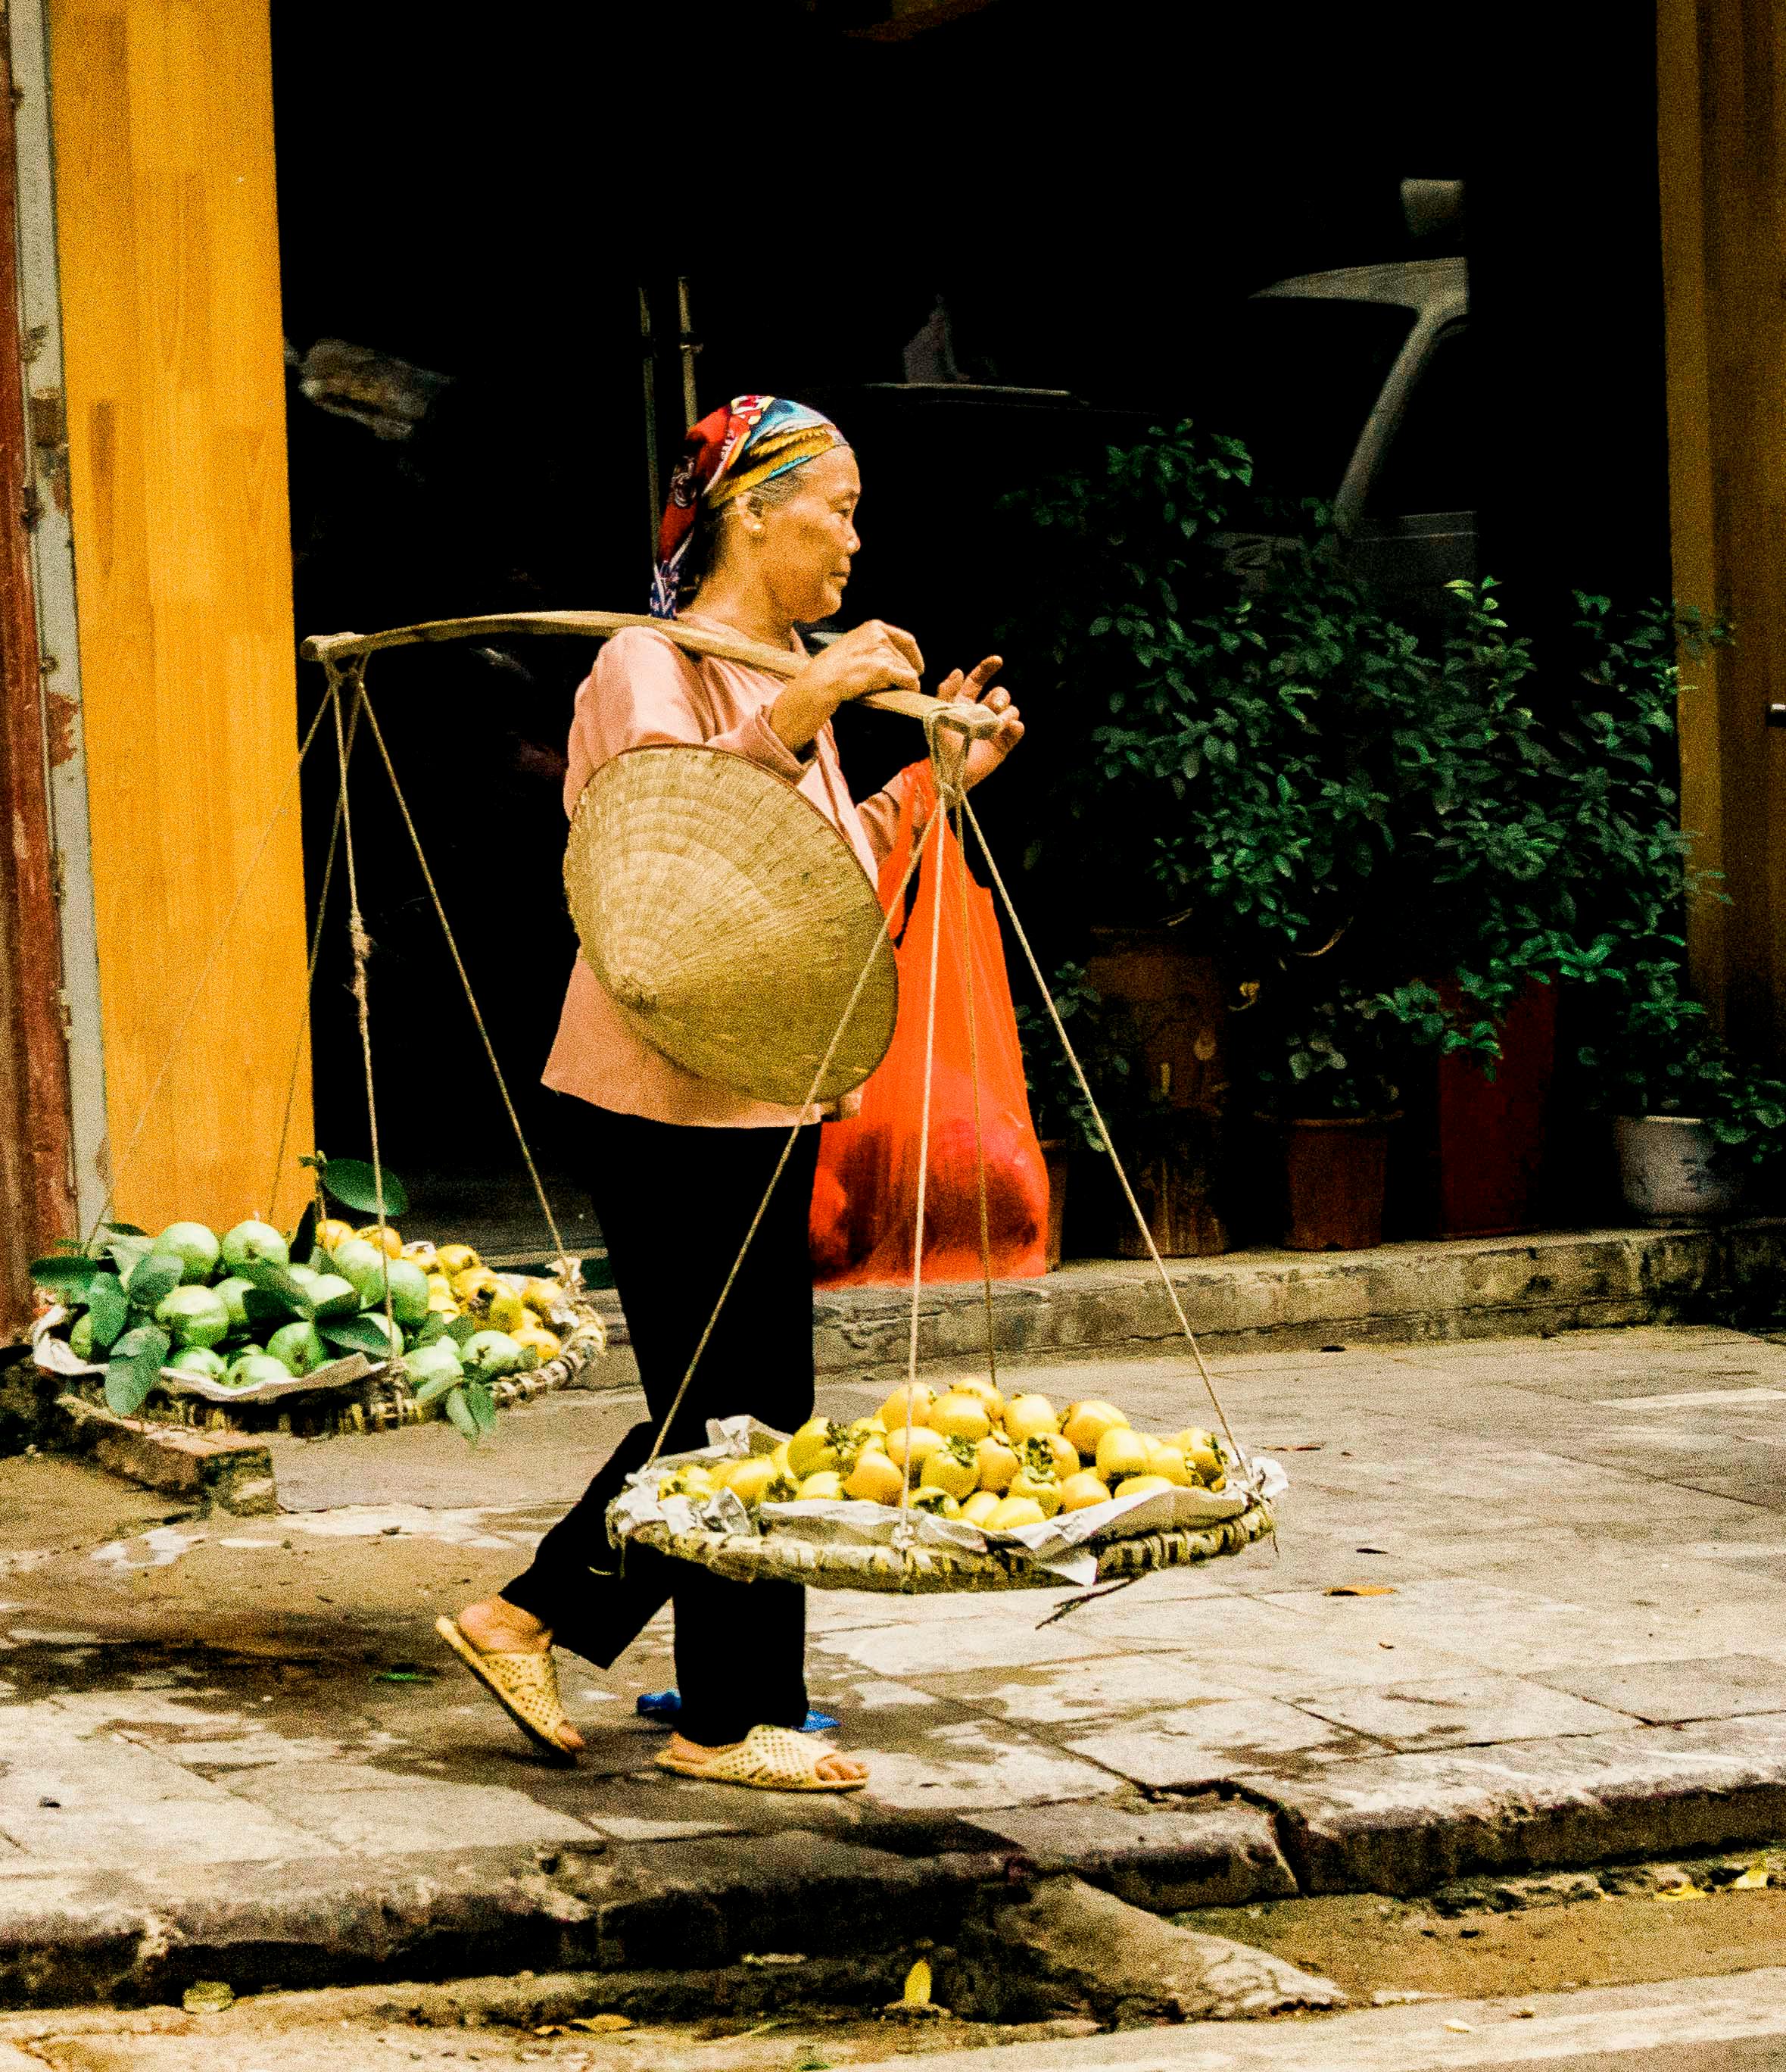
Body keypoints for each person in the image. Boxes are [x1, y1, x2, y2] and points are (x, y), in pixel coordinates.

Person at [437, 395, 1024, 1793]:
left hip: (753, 1085)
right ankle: (679, 1690)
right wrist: (804, 704)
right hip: (656, 1088)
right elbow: (663, 859)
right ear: (752, 510)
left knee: (751, 1413)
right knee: (727, 1413)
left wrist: (932, 785)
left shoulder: (771, 665)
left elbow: (802, 874)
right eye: (839, 507)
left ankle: (654, 1666)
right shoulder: (651, 662)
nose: (856, 541)